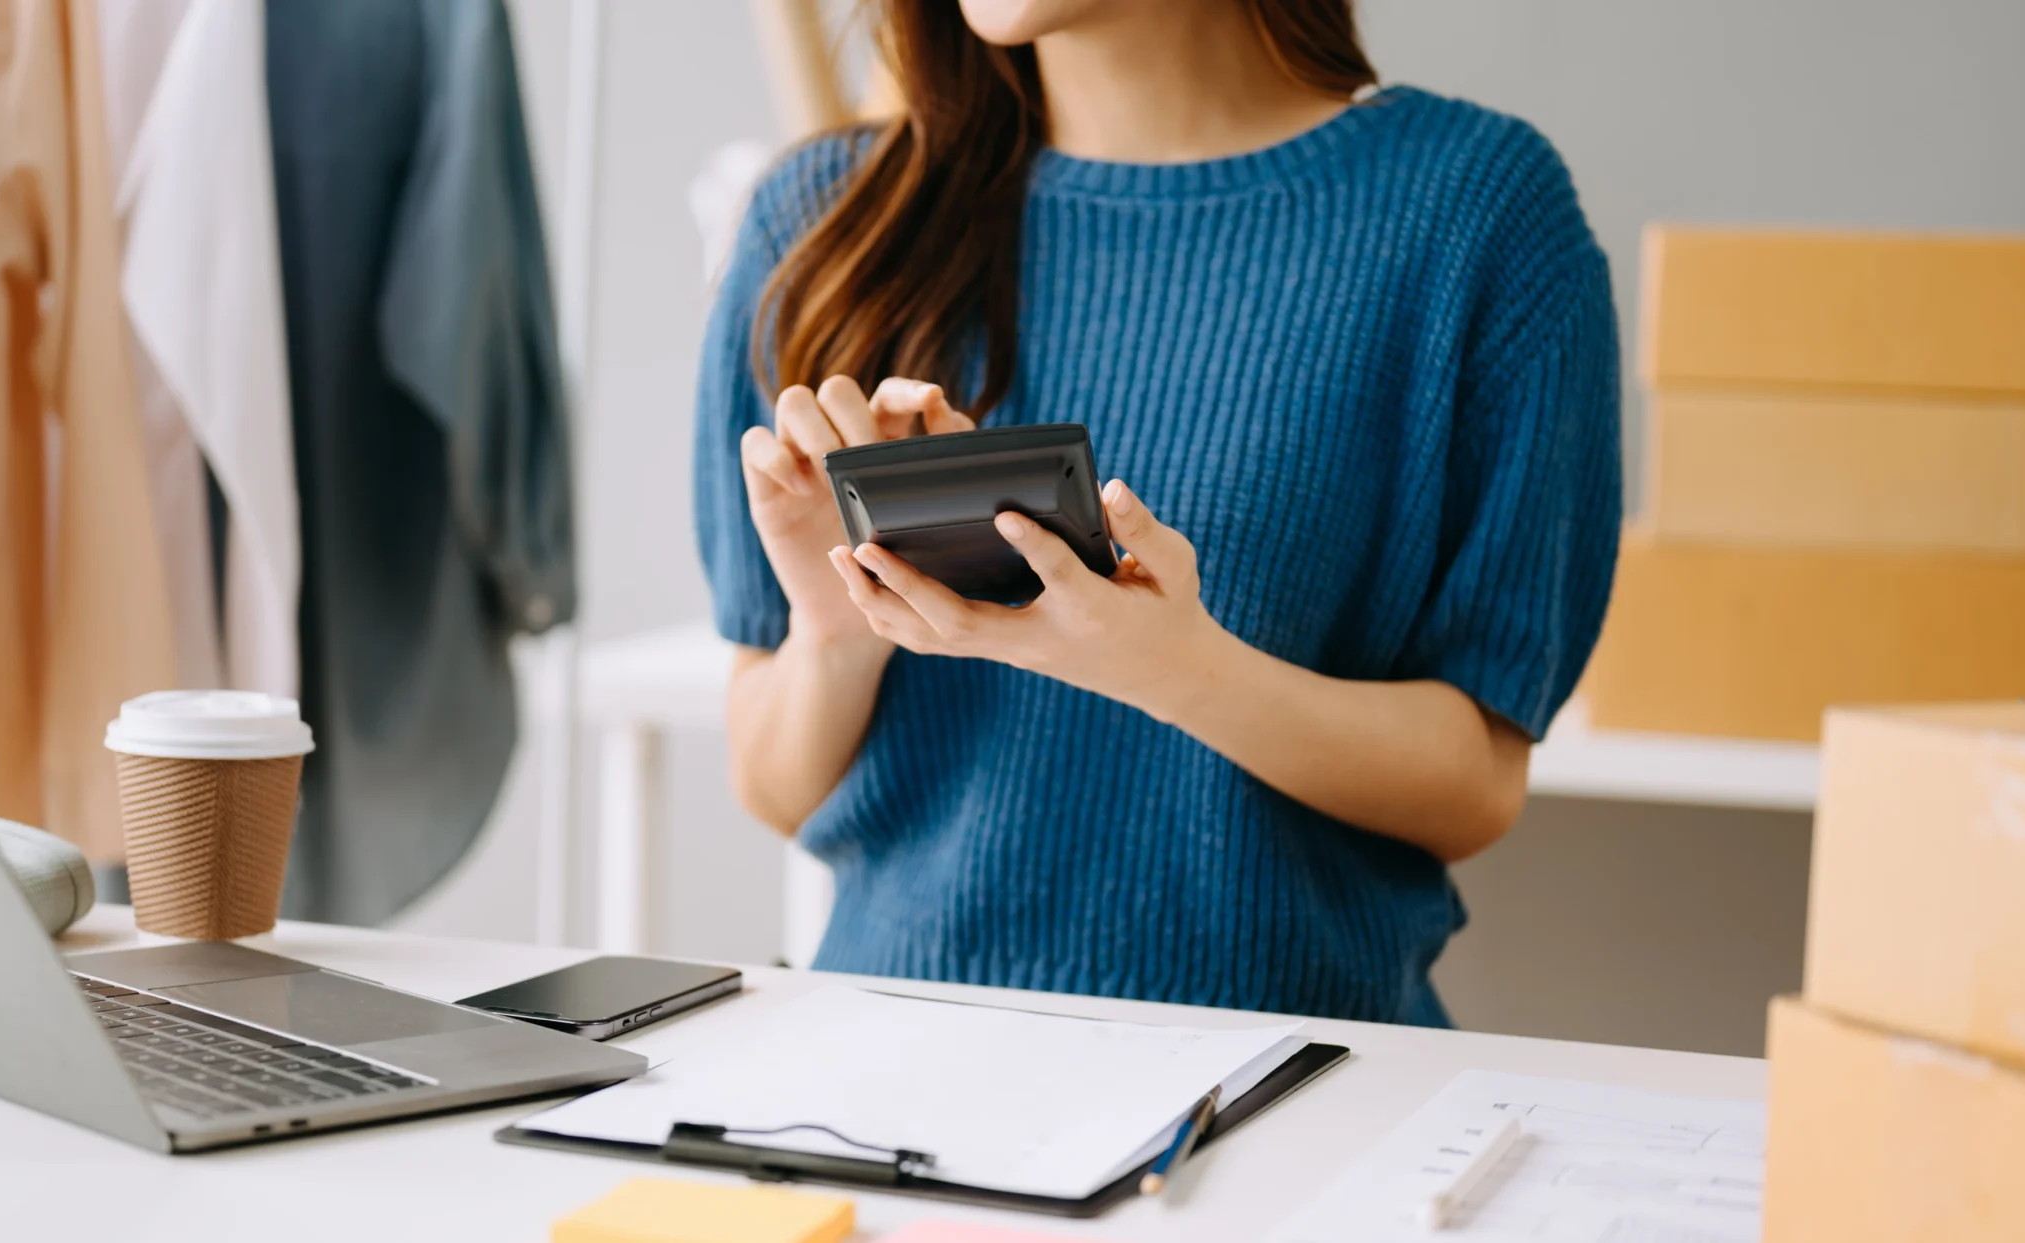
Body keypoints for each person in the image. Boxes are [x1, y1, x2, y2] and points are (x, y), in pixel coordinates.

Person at [693, 0, 1620, 1025]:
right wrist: (835, 632)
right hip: (888, 1076)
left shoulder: (1473, 214)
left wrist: (1177, 670)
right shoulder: (824, 223)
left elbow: (1476, 785)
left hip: (1293, 1092)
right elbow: (771, 783)